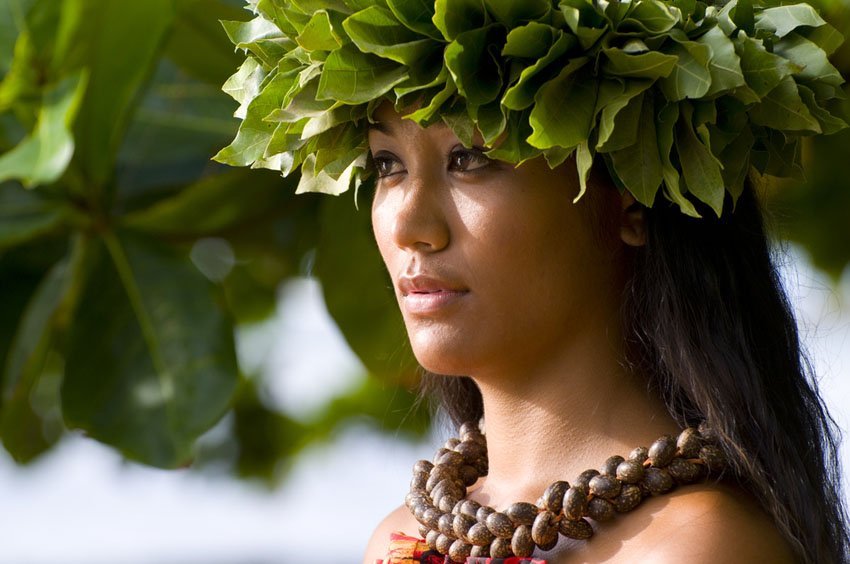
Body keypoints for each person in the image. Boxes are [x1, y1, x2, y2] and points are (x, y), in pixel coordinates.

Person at [215, 1, 850, 562]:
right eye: (388, 164)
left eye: (471, 158)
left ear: (632, 196)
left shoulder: (697, 549)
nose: (409, 223)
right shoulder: (398, 543)